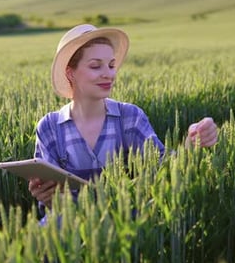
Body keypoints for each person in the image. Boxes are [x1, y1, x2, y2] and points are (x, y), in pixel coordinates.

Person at [28, 24, 218, 213]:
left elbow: (164, 168)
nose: (109, 74)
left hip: (128, 230)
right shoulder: (50, 127)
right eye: (95, 66)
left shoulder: (130, 118)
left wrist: (191, 144)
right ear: (70, 72)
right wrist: (47, 198)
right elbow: (51, 200)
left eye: (111, 65)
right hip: (69, 230)